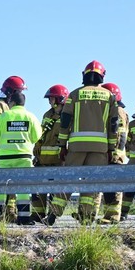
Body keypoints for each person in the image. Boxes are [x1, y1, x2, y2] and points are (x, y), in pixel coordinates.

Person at [56, 61, 119, 225]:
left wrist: (62, 144)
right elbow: (114, 125)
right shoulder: (109, 96)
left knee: (68, 179)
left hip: (76, 147)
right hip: (100, 148)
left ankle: (54, 213)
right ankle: (86, 216)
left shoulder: (74, 95)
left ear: (84, 75)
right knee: (92, 181)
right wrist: (112, 148)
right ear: (102, 76)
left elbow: (65, 121)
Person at [0, 91, 42, 215]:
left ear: (12, 102)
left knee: (0, 188)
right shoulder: (31, 117)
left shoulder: (4, 116)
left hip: (4, 158)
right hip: (24, 157)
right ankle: (23, 218)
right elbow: (37, 136)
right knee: (23, 187)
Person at [0, 76, 26, 222]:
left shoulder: (12, 108)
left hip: (10, 152)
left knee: (11, 185)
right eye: (19, 91)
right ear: (12, 92)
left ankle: (10, 213)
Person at [34, 85, 69, 224]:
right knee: (39, 188)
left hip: (59, 160)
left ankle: (52, 215)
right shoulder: (47, 115)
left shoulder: (68, 116)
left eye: (52, 98)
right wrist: (37, 149)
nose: (50, 101)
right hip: (43, 159)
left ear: (60, 99)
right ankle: (37, 214)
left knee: (56, 190)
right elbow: (41, 134)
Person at [98, 82, 129, 224]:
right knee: (108, 188)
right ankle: (108, 215)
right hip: (110, 153)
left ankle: (113, 217)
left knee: (114, 188)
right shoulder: (113, 109)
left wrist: (114, 153)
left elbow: (120, 135)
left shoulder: (118, 111)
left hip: (115, 155)